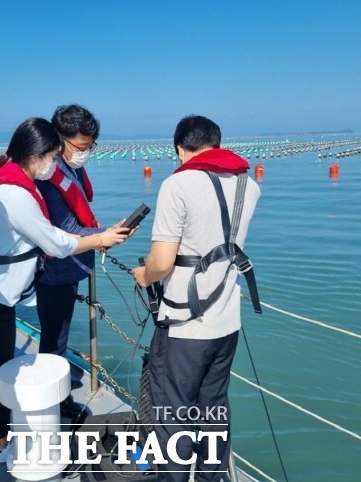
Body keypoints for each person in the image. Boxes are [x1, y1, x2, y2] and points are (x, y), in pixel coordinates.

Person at [0, 117, 128, 463]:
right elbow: (56, 243)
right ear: (34, 156)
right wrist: (101, 239)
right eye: (52, 156)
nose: (55, 164)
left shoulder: (6, 183)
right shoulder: (16, 196)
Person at [132, 115, 261, 482]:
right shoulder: (248, 185)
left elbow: (160, 263)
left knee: (173, 416)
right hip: (227, 321)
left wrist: (144, 275)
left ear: (179, 148)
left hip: (184, 326)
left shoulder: (179, 185)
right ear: (217, 144)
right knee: (214, 407)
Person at [33, 104, 106, 419]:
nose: (84, 153)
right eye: (80, 146)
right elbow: (63, 230)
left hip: (72, 265)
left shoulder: (70, 168)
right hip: (55, 270)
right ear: (57, 139)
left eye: (90, 147)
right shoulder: (48, 174)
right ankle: (55, 401)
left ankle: (57, 382)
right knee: (55, 334)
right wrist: (107, 235)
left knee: (58, 331)